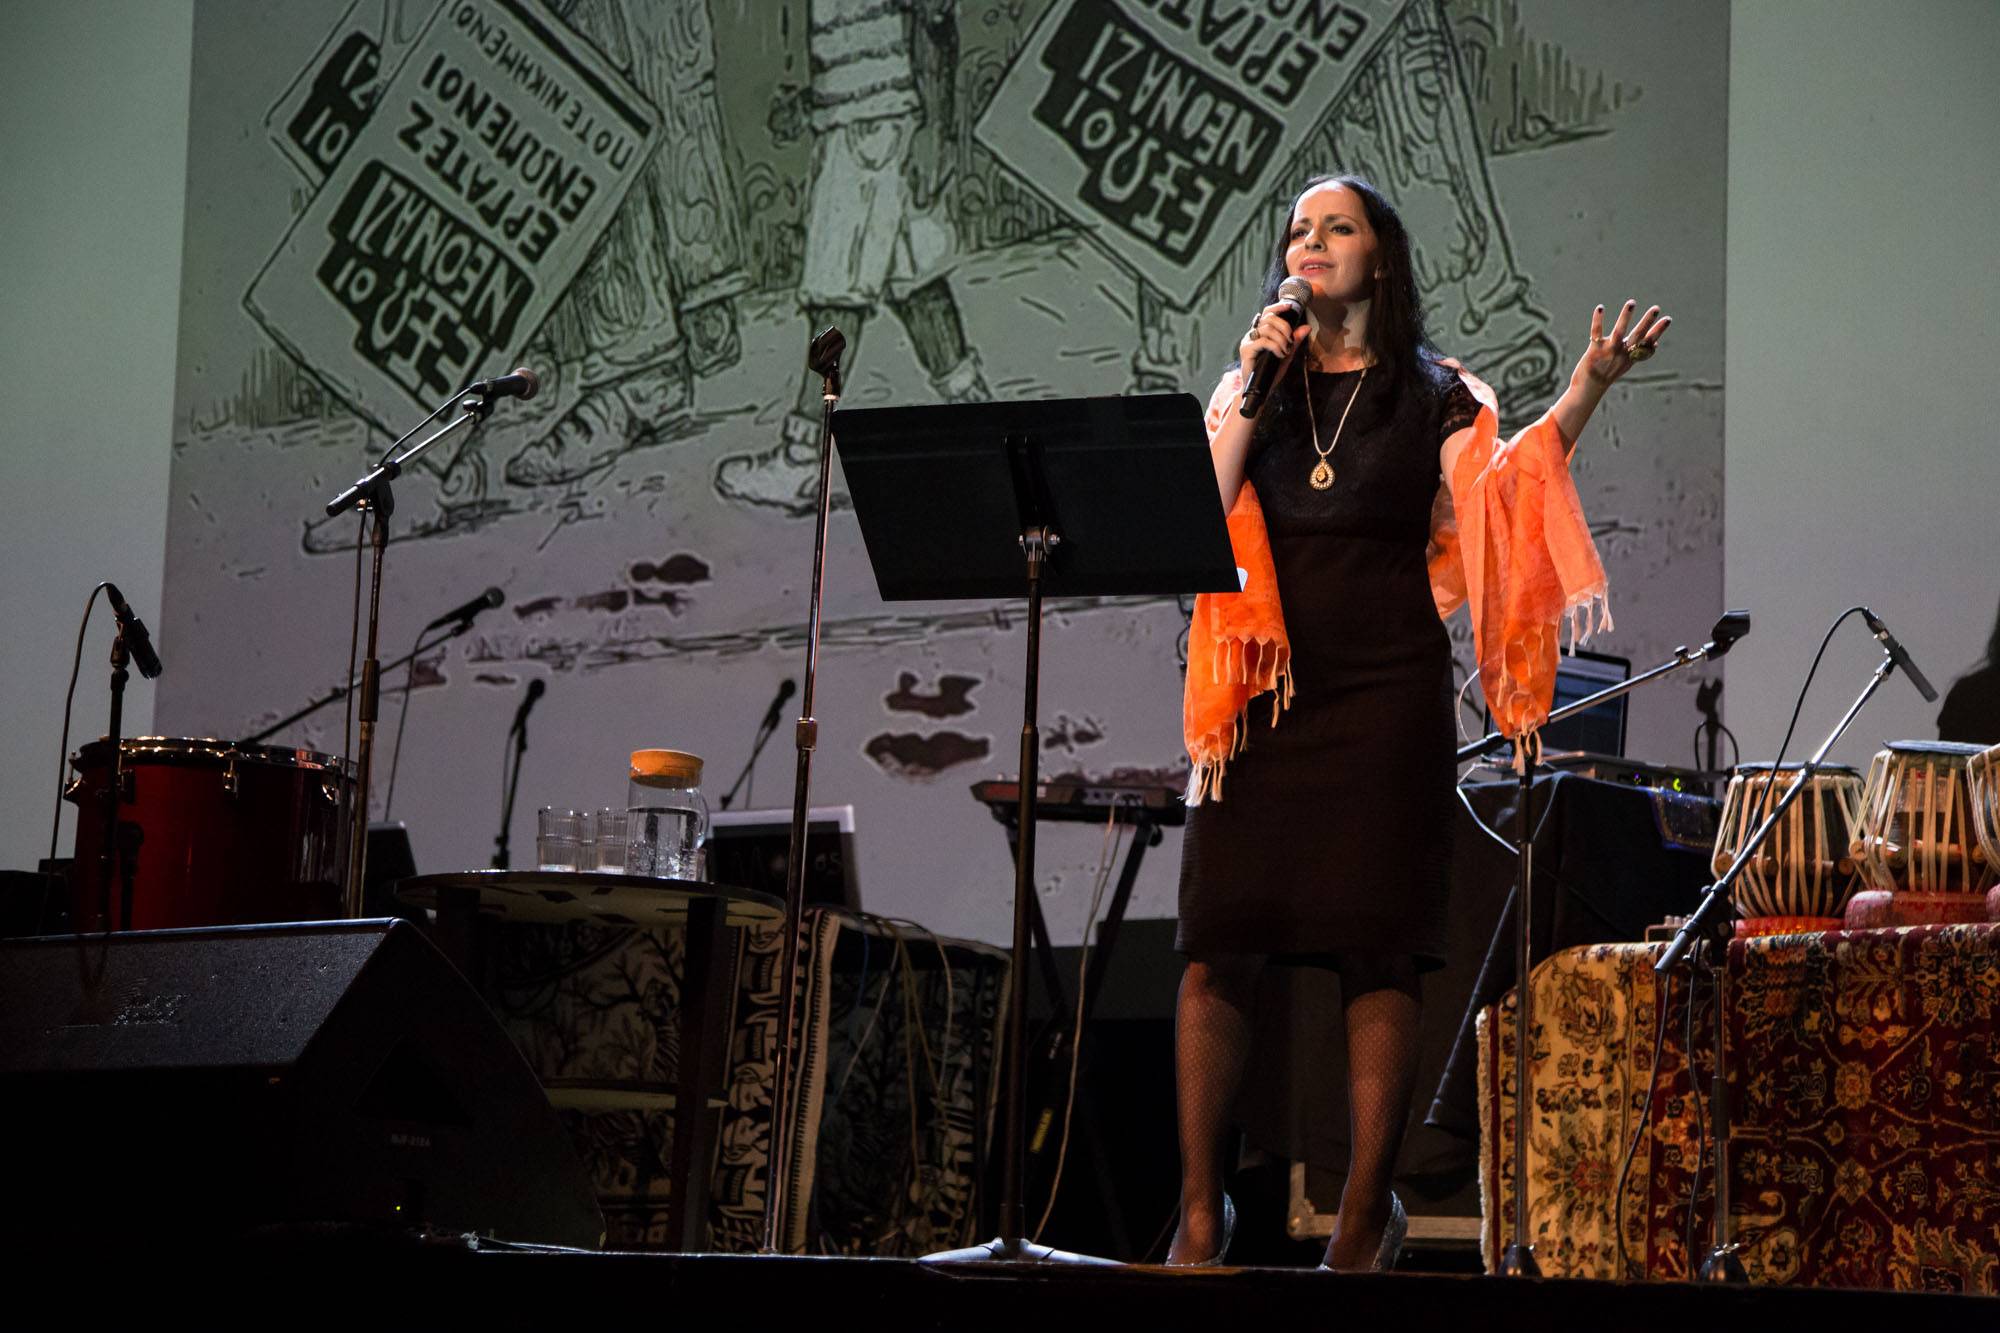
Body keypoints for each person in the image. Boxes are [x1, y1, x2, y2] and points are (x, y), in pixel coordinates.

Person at [1168, 174, 1669, 1270]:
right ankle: (1200, 1215)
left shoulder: (1434, 393)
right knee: (1215, 945)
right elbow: (1194, 520)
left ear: (1379, 259)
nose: (1309, 244)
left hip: (1382, 698)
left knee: (1377, 950)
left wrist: (1581, 389)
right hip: (1258, 708)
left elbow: (1500, 498)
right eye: (1297, 231)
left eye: (1334, 228)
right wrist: (1253, 381)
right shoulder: (1249, 385)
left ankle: (1359, 1216)